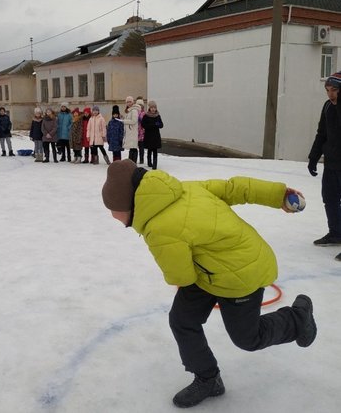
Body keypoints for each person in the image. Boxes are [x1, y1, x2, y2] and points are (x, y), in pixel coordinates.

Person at [102, 160, 317, 408]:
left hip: (240, 273)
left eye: (113, 209)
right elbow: (234, 188)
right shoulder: (185, 189)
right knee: (183, 320)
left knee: (248, 338)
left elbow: (181, 277)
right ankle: (208, 378)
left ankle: (296, 319)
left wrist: (183, 278)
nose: (112, 215)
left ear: (130, 205)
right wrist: (279, 195)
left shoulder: (159, 229)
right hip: (209, 269)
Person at [308, 72, 341, 258]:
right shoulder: (328, 106)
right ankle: (336, 233)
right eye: (328, 90)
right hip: (332, 164)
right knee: (329, 199)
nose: (330, 95)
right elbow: (322, 134)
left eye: (335, 90)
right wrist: (314, 157)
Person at [141, 100, 164, 170]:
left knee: (155, 150)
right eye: (152, 107)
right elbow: (143, 124)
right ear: (149, 108)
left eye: (154, 107)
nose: (153, 109)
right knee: (149, 149)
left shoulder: (158, 116)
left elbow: (161, 125)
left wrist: (157, 124)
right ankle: (149, 162)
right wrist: (152, 125)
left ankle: (155, 164)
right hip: (148, 135)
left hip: (156, 136)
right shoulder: (146, 116)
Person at [122, 96, 140, 163]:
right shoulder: (129, 110)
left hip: (133, 132)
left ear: (133, 102)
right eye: (127, 102)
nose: (128, 103)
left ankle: (133, 163)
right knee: (131, 148)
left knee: (133, 148)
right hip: (130, 132)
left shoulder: (134, 110)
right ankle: (130, 163)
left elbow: (134, 121)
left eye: (130, 102)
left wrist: (124, 121)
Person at [136, 97, 146, 164]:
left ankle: (141, 159)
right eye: (138, 105)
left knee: (141, 147)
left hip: (142, 132)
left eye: (141, 105)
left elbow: (145, 122)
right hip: (136, 132)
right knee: (134, 147)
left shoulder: (144, 113)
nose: (140, 107)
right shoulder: (134, 113)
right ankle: (134, 159)